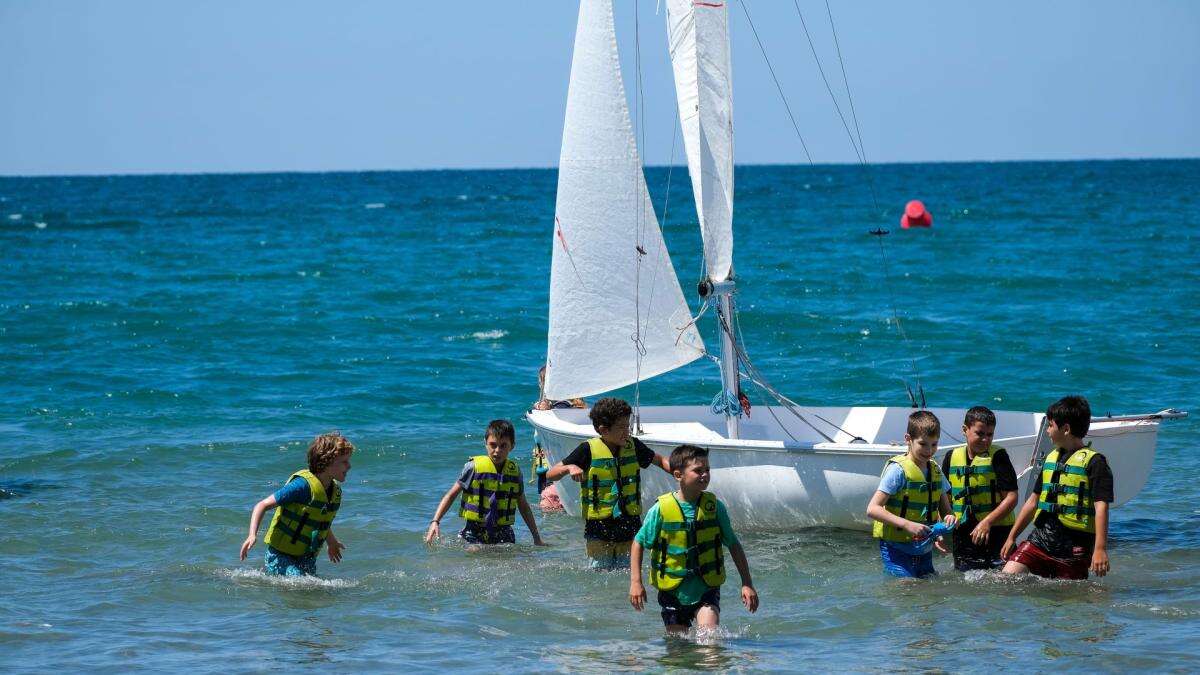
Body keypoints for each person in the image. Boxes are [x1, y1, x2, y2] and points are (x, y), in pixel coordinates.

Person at [629, 445, 758, 634]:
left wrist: (747, 583)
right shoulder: (661, 510)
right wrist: (635, 582)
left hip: (706, 587)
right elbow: (638, 543)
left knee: (709, 638)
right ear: (678, 475)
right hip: (672, 590)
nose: (705, 474)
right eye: (698, 470)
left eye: (707, 470)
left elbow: (733, 544)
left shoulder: (715, 508)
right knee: (677, 651)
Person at [544, 397, 671, 568]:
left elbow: (660, 461)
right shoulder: (587, 450)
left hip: (629, 523)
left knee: (627, 572)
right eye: (621, 427)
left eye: (627, 426)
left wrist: (681, 471)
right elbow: (550, 474)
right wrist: (570, 468)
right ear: (603, 429)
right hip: (598, 526)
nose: (627, 431)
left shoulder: (633, 446)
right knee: (599, 571)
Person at [1001, 396, 1113, 580]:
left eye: (1050, 425)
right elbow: (1033, 501)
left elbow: (1102, 507)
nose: (1047, 431)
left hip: (1074, 547)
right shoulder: (1050, 459)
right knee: (1005, 580)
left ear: (1066, 429)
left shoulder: (1096, 463)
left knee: (1069, 600)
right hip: (1041, 539)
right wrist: (1012, 536)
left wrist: (1100, 549)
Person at [239, 432, 354, 576]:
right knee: (303, 585)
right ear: (327, 462)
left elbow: (320, 520)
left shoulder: (333, 490)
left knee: (311, 592)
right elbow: (262, 505)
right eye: (344, 462)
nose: (349, 466)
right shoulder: (301, 486)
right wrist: (252, 535)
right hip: (280, 556)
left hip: (306, 558)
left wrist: (332, 542)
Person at [425, 419, 546, 546]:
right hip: (474, 531)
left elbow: (523, 506)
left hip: (504, 532)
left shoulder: (515, 472)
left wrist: (536, 537)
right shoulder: (472, 468)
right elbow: (450, 495)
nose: (497, 450)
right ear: (485, 443)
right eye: (493, 445)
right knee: (475, 552)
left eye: (503, 445)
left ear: (512, 446)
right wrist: (435, 521)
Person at [866, 410, 957, 578]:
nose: (929, 450)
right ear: (908, 439)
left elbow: (946, 511)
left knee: (928, 590)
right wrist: (908, 525)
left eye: (934, 444)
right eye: (923, 444)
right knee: (906, 588)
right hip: (895, 547)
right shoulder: (898, 471)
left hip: (924, 548)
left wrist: (949, 520)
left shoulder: (936, 470)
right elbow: (872, 509)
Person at [941, 406, 1018, 571]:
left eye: (990, 434)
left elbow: (1011, 497)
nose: (985, 440)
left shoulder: (998, 457)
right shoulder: (951, 458)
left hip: (997, 533)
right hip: (963, 536)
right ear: (965, 430)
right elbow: (944, 498)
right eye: (980, 434)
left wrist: (987, 522)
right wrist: (939, 530)